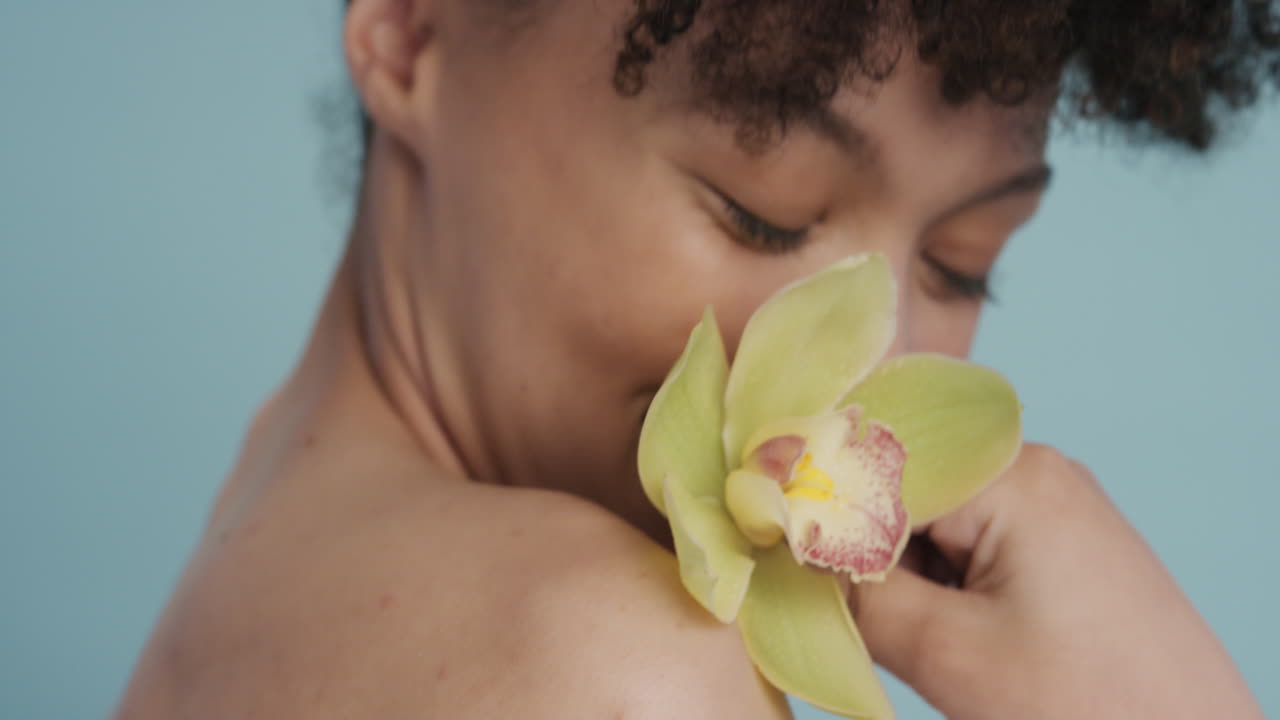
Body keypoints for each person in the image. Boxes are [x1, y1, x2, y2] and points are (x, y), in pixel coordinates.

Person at [114, 1, 1274, 717]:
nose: (864, 372)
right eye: (758, 212)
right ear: (414, 29)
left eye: (963, 263)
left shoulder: (262, 503)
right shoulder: (623, 671)